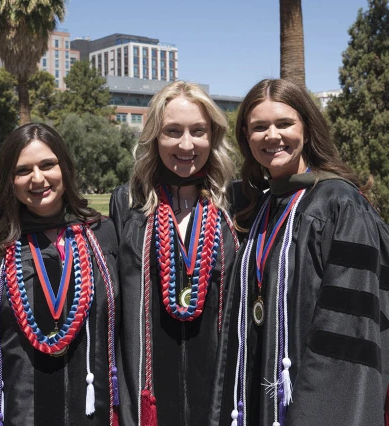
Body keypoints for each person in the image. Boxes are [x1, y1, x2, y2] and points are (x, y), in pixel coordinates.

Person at [211, 78, 389, 426]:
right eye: (259, 127)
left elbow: (347, 331)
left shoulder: (340, 205)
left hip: (318, 406)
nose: (272, 135)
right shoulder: (264, 206)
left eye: (284, 123)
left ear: (307, 128)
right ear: (247, 139)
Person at [109, 80, 241, 426]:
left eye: (198, 131)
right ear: (154, 136)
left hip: (218, 391)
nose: (187, 144)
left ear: (212, 135)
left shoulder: (235, 203)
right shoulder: (128, 203)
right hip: (149, 390)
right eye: (173, 131)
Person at [0, 123, 120, 426]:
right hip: (22, 411)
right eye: (23, 170)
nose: (38, 178)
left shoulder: (101, 234)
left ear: (64, 167)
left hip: (92, 410)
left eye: (47, 165)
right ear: (9, 180)